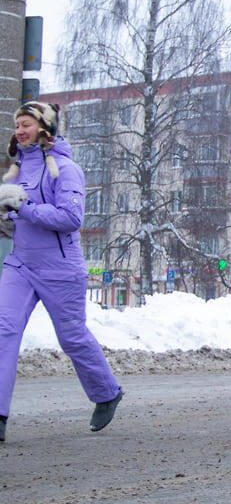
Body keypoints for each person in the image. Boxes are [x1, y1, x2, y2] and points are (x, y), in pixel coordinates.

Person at [0, 102, 123, 443]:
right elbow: (16, 217)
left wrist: (23, 207)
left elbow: (71, 218)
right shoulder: (16, 170)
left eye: (26, 124)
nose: (20, 131)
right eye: (17, 125)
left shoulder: (66, 169)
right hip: (21, 264)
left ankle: (106, 393)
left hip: (60, 270)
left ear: (44, 127)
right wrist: (5, 218)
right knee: (3, 330)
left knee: (72, 338)